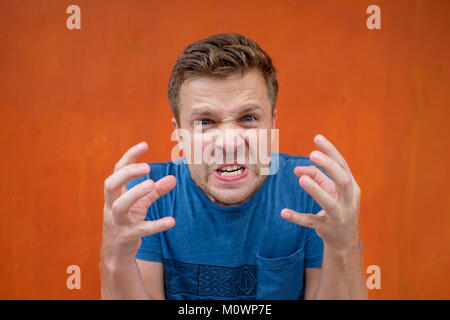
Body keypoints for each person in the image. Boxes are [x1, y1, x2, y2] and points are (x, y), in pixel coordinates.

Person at [100, 33, 367, 300]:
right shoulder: (147, 197)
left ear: (272, 125)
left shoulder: (312, 191)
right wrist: (117, 257)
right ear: (180, 135)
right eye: (206, 122)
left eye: (248, 118)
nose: (229, 144)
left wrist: (343, 244)